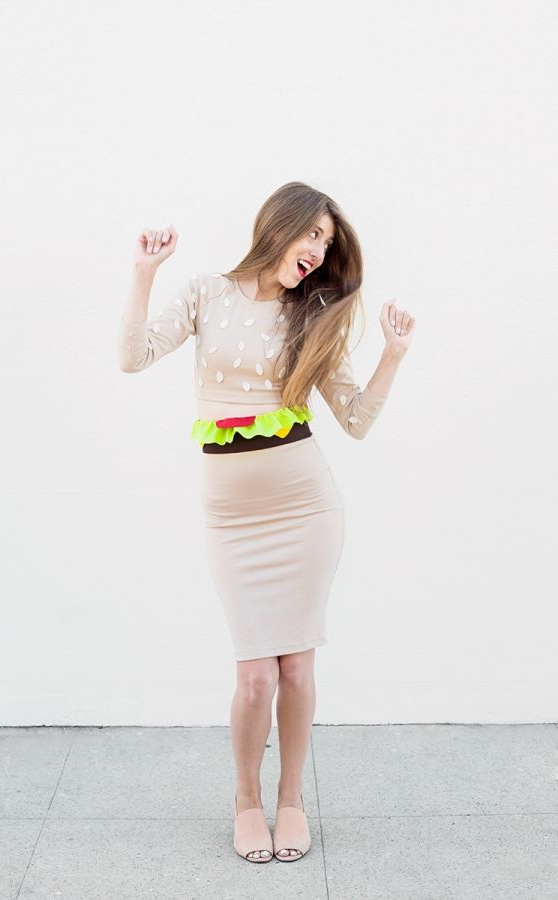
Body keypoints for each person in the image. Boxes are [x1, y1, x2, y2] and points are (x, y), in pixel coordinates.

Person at [117, 181, 415, 864]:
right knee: (255, 675)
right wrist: (143, 274)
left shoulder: (311, 315)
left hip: (306, 509)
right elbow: (132, 357)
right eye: (311, 233)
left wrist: (393, 356)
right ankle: (246, 799)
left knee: (298, 670)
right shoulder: (205, 293)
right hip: (232, 518)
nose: (317, 250)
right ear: (277, 226)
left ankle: (290, 800)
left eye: (327, 242)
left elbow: (357, 422)